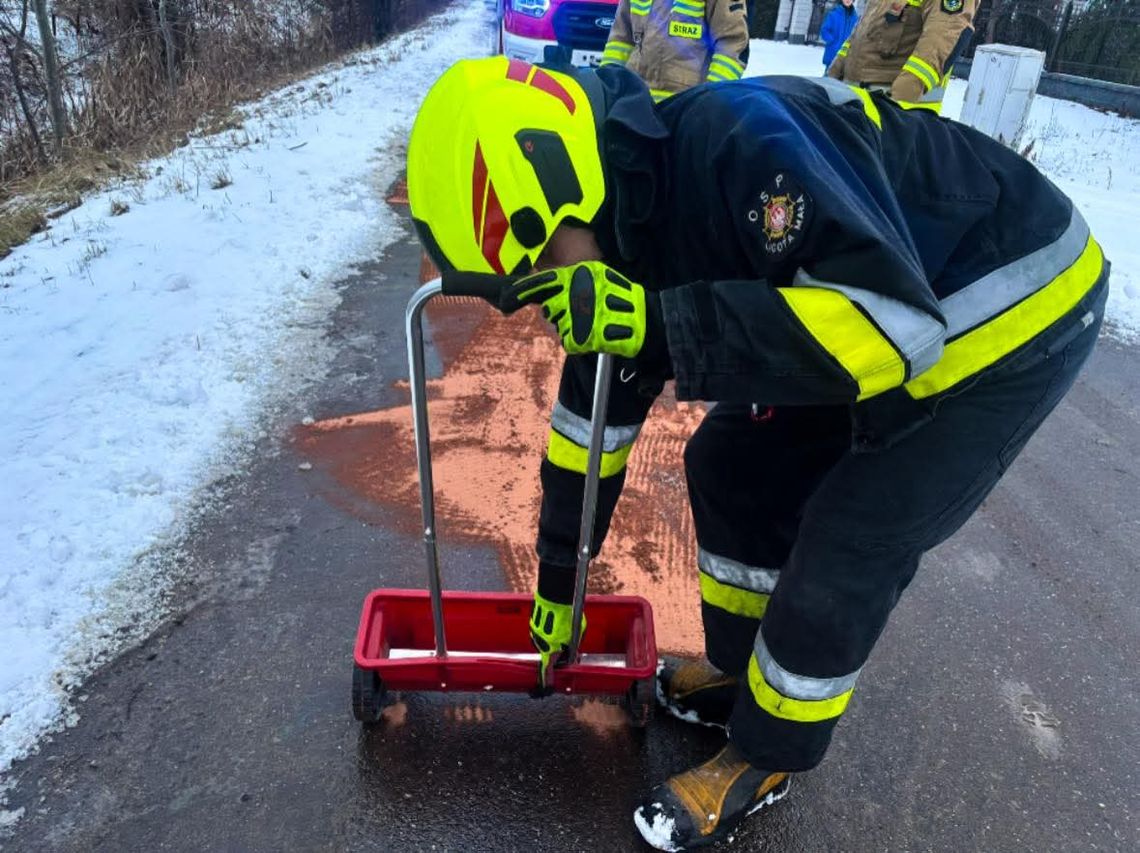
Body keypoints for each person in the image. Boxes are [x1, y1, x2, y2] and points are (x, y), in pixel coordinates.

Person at [405, 56, 1109, 851]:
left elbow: (894, 332)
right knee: (733, 462)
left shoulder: (741, 149)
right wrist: (559, 585)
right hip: (889, 310)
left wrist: (661, 324)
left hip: (1005, 299)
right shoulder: (617, 219)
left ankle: (766, 753)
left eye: (537, 271)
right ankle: (745, 680)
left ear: (565, 187)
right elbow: (589, 426)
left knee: (854, 530)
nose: (544, 302)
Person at [827, 0, 976, 113]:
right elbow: (861, 34)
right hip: (853, 102)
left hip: (892, 111)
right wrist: (835, 71)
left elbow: (939, 42)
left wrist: (896, 105)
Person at [598, 0, 749, 100]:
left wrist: (711, 101)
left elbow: (732, 46)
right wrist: (606, 87)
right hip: (633, 105)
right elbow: (620, 40)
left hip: (686, 113)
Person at [820, 0, 859, 72]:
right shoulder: (833, 14)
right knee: (828, 80)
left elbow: (856, 34)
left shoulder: (855, 17)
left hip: (846, 56)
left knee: (841, 82)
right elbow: (824, 31)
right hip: (833, 54)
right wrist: (833, 41)